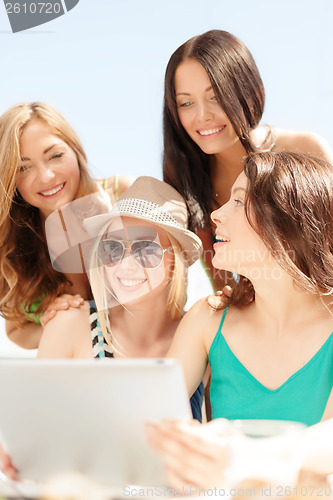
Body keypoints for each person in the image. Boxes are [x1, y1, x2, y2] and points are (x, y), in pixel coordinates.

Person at [145, 151, 333, 488]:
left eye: (238, 201)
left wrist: (241, 456)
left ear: (287, 219)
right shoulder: (208, 317)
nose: (216, 215)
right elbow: (148, 420)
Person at [162, 29, 333, 290]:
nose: (202, 116)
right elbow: (223, 283)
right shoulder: (190, 176)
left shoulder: (304, 150)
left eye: (216, 96)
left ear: (251, 91)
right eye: (186, 103)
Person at [0, 101, 133, 349]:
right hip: (78, 370)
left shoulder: (124, 195)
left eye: (55, 155)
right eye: (24, 167)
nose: (46, 177)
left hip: (146, 356)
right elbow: (16, 330)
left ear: (76, 151)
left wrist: (110, 231)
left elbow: (172, 293)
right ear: (10, 178)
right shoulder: (15, 242)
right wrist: (54, 321)